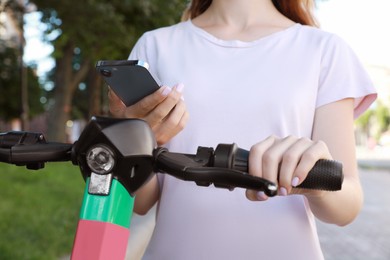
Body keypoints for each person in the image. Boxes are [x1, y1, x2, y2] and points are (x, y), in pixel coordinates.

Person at [109, 0, 377, 259]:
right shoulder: (154, 46)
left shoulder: (325, 50)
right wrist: (132, 140)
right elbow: (143, 203)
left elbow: (347, 205)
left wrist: (311, 180)